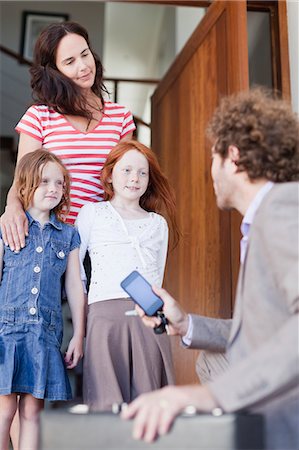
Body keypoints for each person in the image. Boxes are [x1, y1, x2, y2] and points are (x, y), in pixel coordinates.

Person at [121, 88, 299, 450]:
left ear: (232, 157)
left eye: (213, 156)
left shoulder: (282, 208)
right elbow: (267, 332)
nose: (211, 170)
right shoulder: (262, 222)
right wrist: (186, 324)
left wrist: (208, 397)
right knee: (210, 358)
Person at [0, 21, 135, 252]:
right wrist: (12, 208)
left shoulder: (120, 117)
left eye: (85, 55)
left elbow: (126, 185)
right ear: (54, 71)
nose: (83, 66)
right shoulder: (39, 117)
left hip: (102, 240)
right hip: (49, 236)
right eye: (70, 62)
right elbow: (23, 181)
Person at [76, 139, 180, 411]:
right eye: (127, 170)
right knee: (106, 403)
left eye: (142, 173)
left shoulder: (158, 224)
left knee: (151, 403)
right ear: (110, 174)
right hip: (103, 316)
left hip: (148, 317)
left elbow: (158, 278)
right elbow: (75, 273)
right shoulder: (92, 213)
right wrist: (80, 323)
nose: (135, 178)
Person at [0, 150, 85, 450]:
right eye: (44, 181)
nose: (53, 188)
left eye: (59, 183)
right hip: (6, 333)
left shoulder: (69, 236)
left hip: (44, 335)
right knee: (4, 410)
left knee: (32, 412)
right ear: (24, 186)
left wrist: (79, 335)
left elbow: (75, 286)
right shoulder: (7, 228)